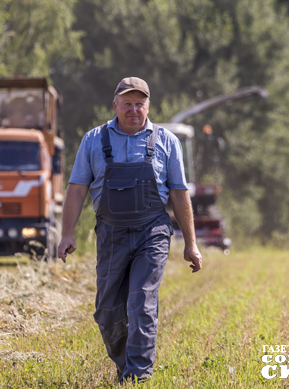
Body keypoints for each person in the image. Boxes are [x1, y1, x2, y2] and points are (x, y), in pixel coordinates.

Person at [57, 76, 202, 384]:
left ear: (148, 105)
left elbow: (178, 193)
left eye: (140, 103)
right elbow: (76, 189)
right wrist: (67, 234)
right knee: (107, 312)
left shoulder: (166, 141)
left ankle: (137, 375)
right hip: (111, 233)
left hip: (152, 231)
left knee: (142, 302)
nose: (134, 110)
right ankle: (125, 365)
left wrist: (191, 244)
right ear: (115, 106)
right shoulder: (94, 140)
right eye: (127, 104)